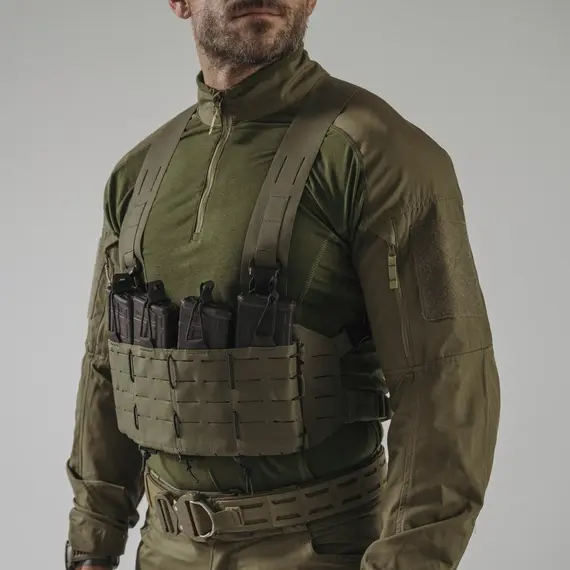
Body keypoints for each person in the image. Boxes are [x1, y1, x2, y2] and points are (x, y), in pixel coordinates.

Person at [64, 1, 501, 569]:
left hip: (318, 549)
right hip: (164, 550)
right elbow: (107, 367)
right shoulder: (137, 174)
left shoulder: (380, 153)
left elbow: (446, 379)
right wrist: (91, 544)